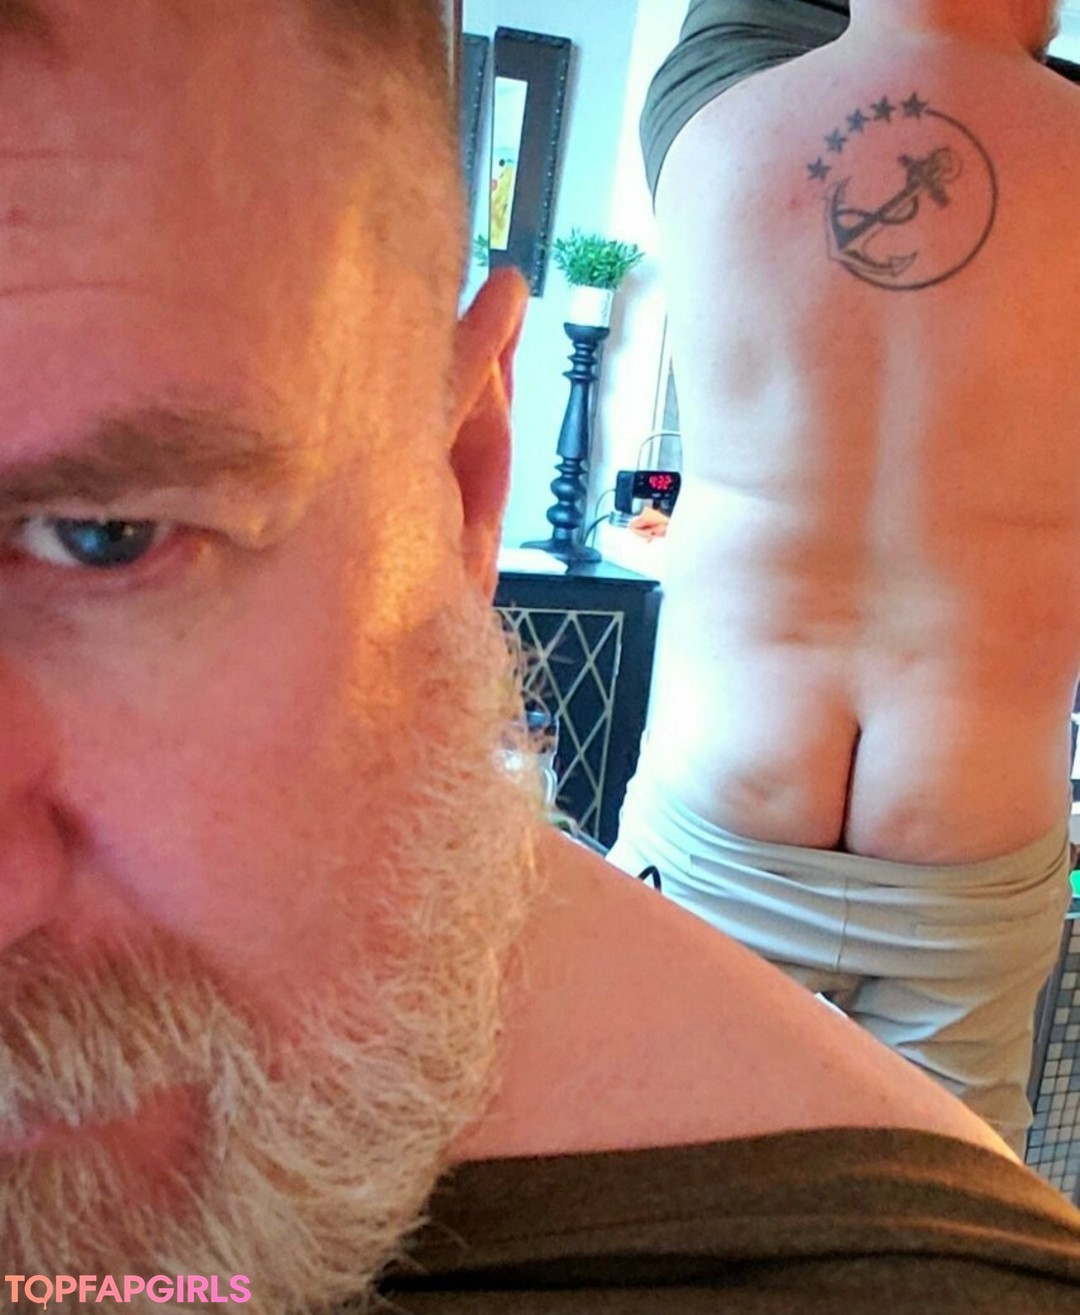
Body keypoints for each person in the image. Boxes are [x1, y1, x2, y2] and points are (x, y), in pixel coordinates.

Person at [0, 2, 1076, 1312]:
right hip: (970, 795)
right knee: (950, 1220)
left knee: (675, 1175)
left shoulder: (721, 127)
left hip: (739, 767)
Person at [610, 0, 1080, 1157]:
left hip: (729, 789)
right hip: (971, 820)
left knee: (656, 1192)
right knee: (938, 1219)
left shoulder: (711, 126)